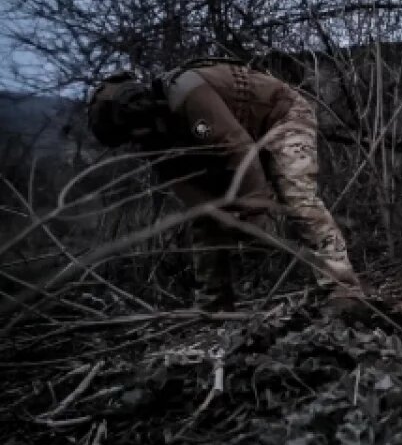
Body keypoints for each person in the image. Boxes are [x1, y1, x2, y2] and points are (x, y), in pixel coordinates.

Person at [87, 58, 366, 310]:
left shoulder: (187, 94)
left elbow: (239, 150)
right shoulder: (152, 139)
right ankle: (214, 302)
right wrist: (223, 215)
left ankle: (343, 288)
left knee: (296, 195)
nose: (138, 138)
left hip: (281, 117)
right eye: (131, 137)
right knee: (204, 219)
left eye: (137, 130)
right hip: (233, 139)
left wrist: (255, 215)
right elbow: (191, 194)